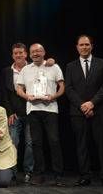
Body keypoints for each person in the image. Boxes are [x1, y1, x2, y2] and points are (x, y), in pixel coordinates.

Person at [65, 35, 103, 187]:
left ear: (92, 46)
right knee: (82, 145)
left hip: (99, 110)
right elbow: (69, 89)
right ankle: (85, 176)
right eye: (81, 45)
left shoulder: (102, 63)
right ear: (77, 47)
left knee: (102, 144)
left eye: (87, 44)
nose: (84, 47)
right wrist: (83, 105)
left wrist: (92, 103)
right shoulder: (70, 66)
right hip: (78, 111)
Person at [16, 43, 65, 186]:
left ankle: (58, 175)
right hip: (33, 109)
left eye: (38, 51)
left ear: (44, 52)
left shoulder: (53, 67)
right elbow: (19, 88)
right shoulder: (25, 69)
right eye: (33, 52)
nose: (36, 53)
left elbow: (62, 86)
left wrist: (54, 96)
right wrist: (26, 97)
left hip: (50, 109)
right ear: (29, 54)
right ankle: (38, 174)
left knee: (54, 141)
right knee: (36, 143)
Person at [0, 43, 34, 183]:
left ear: (26, 54)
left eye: (21, 52)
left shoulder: (34, 68)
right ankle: (12, 173)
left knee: (30, 144)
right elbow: (4, 94)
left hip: (32, 112)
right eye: (15, 53)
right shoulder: (6, 71)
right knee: (13, 143)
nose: (18, 55)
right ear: (12, 55)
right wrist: (9, 112)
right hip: (14, 114)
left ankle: (28, 172)